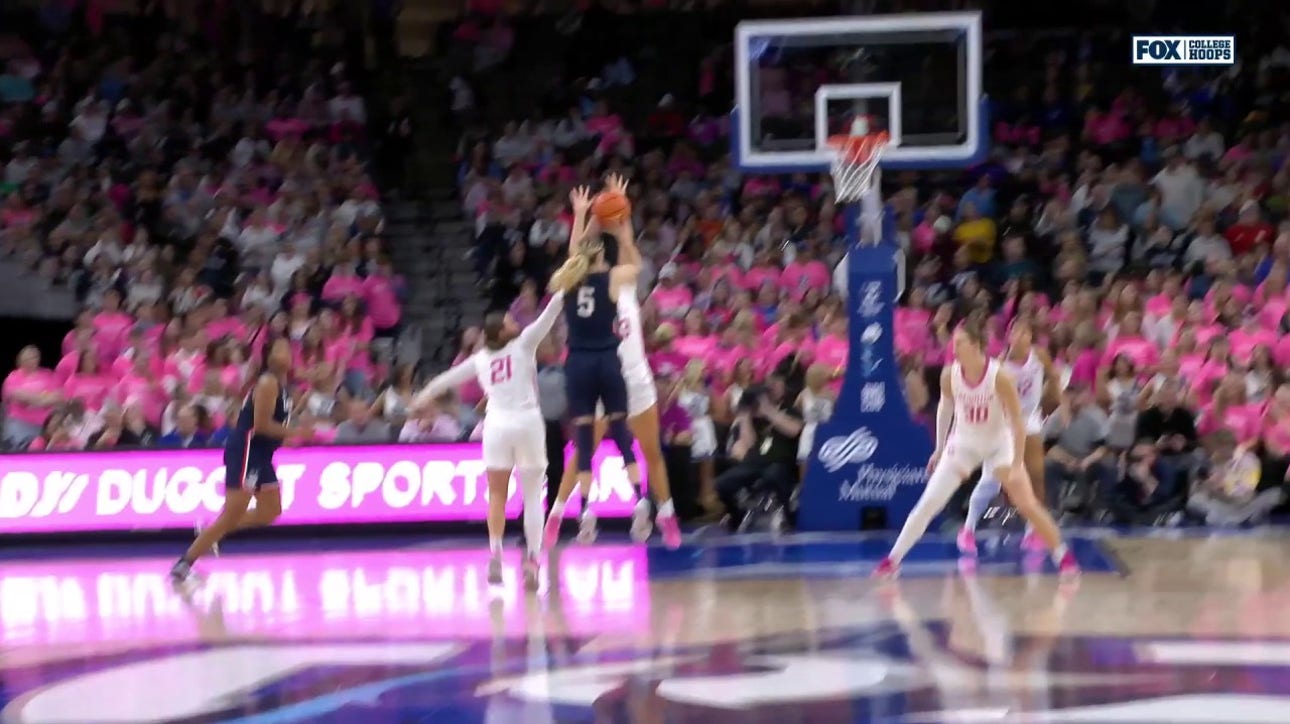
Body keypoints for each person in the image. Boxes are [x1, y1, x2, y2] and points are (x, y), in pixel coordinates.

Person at [875, 321, 1079, 578]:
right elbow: (945, 408)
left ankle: (1063, 556)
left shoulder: (1000, 376)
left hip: (998, 444)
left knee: (1027, 503)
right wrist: (938, 449)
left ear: (976, 345)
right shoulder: (949, 374)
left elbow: (1017, 421)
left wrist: (1016, 464)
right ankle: (892, 561)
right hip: (965, 443)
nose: (954, 346)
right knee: (929, 502)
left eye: (960, 342)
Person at [548, 179, 683, 549]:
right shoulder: (614, 282)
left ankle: (667, 516)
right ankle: (557, 516)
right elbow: (592, 256)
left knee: (648, 451)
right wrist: (620, 222)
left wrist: (590, 215)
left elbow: (578, 254)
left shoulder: (617, 285)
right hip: (610, 372)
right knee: (584, 451)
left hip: (628, 375)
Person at [411, 293, 565, 589]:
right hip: (527, 422)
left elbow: (446, 380)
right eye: (509, 320)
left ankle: (495, 553)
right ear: (503, 331)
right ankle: (532, 562)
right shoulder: (524, 344)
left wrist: (422, 396)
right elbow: (550, 313)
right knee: (532, 496)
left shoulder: (480, 359)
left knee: (497, 495)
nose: (514, 320)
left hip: (496, 425)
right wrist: (567, 283)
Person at [170, 337, 306, 586]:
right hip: (247, 451)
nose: (285, 352)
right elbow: (262, 425)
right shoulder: (267, 382)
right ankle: (185, 563)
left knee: (270, 511)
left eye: (287, 348)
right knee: (233, 513)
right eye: (278, 348)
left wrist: (289, 436)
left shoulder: (284, 388)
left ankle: (214, 531)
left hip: (261, 454)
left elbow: (275, 428)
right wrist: (297, 432)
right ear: (269, 356)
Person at [959, 318, 1060, 553]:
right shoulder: (999, 365)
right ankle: (968, 529)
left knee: (1036, 476)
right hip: (1004, 423)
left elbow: (1053, 378)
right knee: (991, 482)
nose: (1020, 336)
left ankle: (1032, 532)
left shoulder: (1040, 356)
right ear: (1009, 337)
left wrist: (1055, 402)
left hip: (1030, 420)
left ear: (1030, 337)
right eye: (1015, 332)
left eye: (1025, 332)